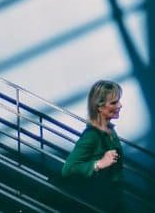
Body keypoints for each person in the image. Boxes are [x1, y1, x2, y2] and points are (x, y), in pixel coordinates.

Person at [60, 80, 125, 211]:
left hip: (111, 199)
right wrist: (98, 164)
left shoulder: (110, 130)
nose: (120, 105)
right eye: (114, 102)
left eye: (119, 101)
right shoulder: (91, 136)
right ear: (99, 107)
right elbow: (68, 169)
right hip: (97, 202)